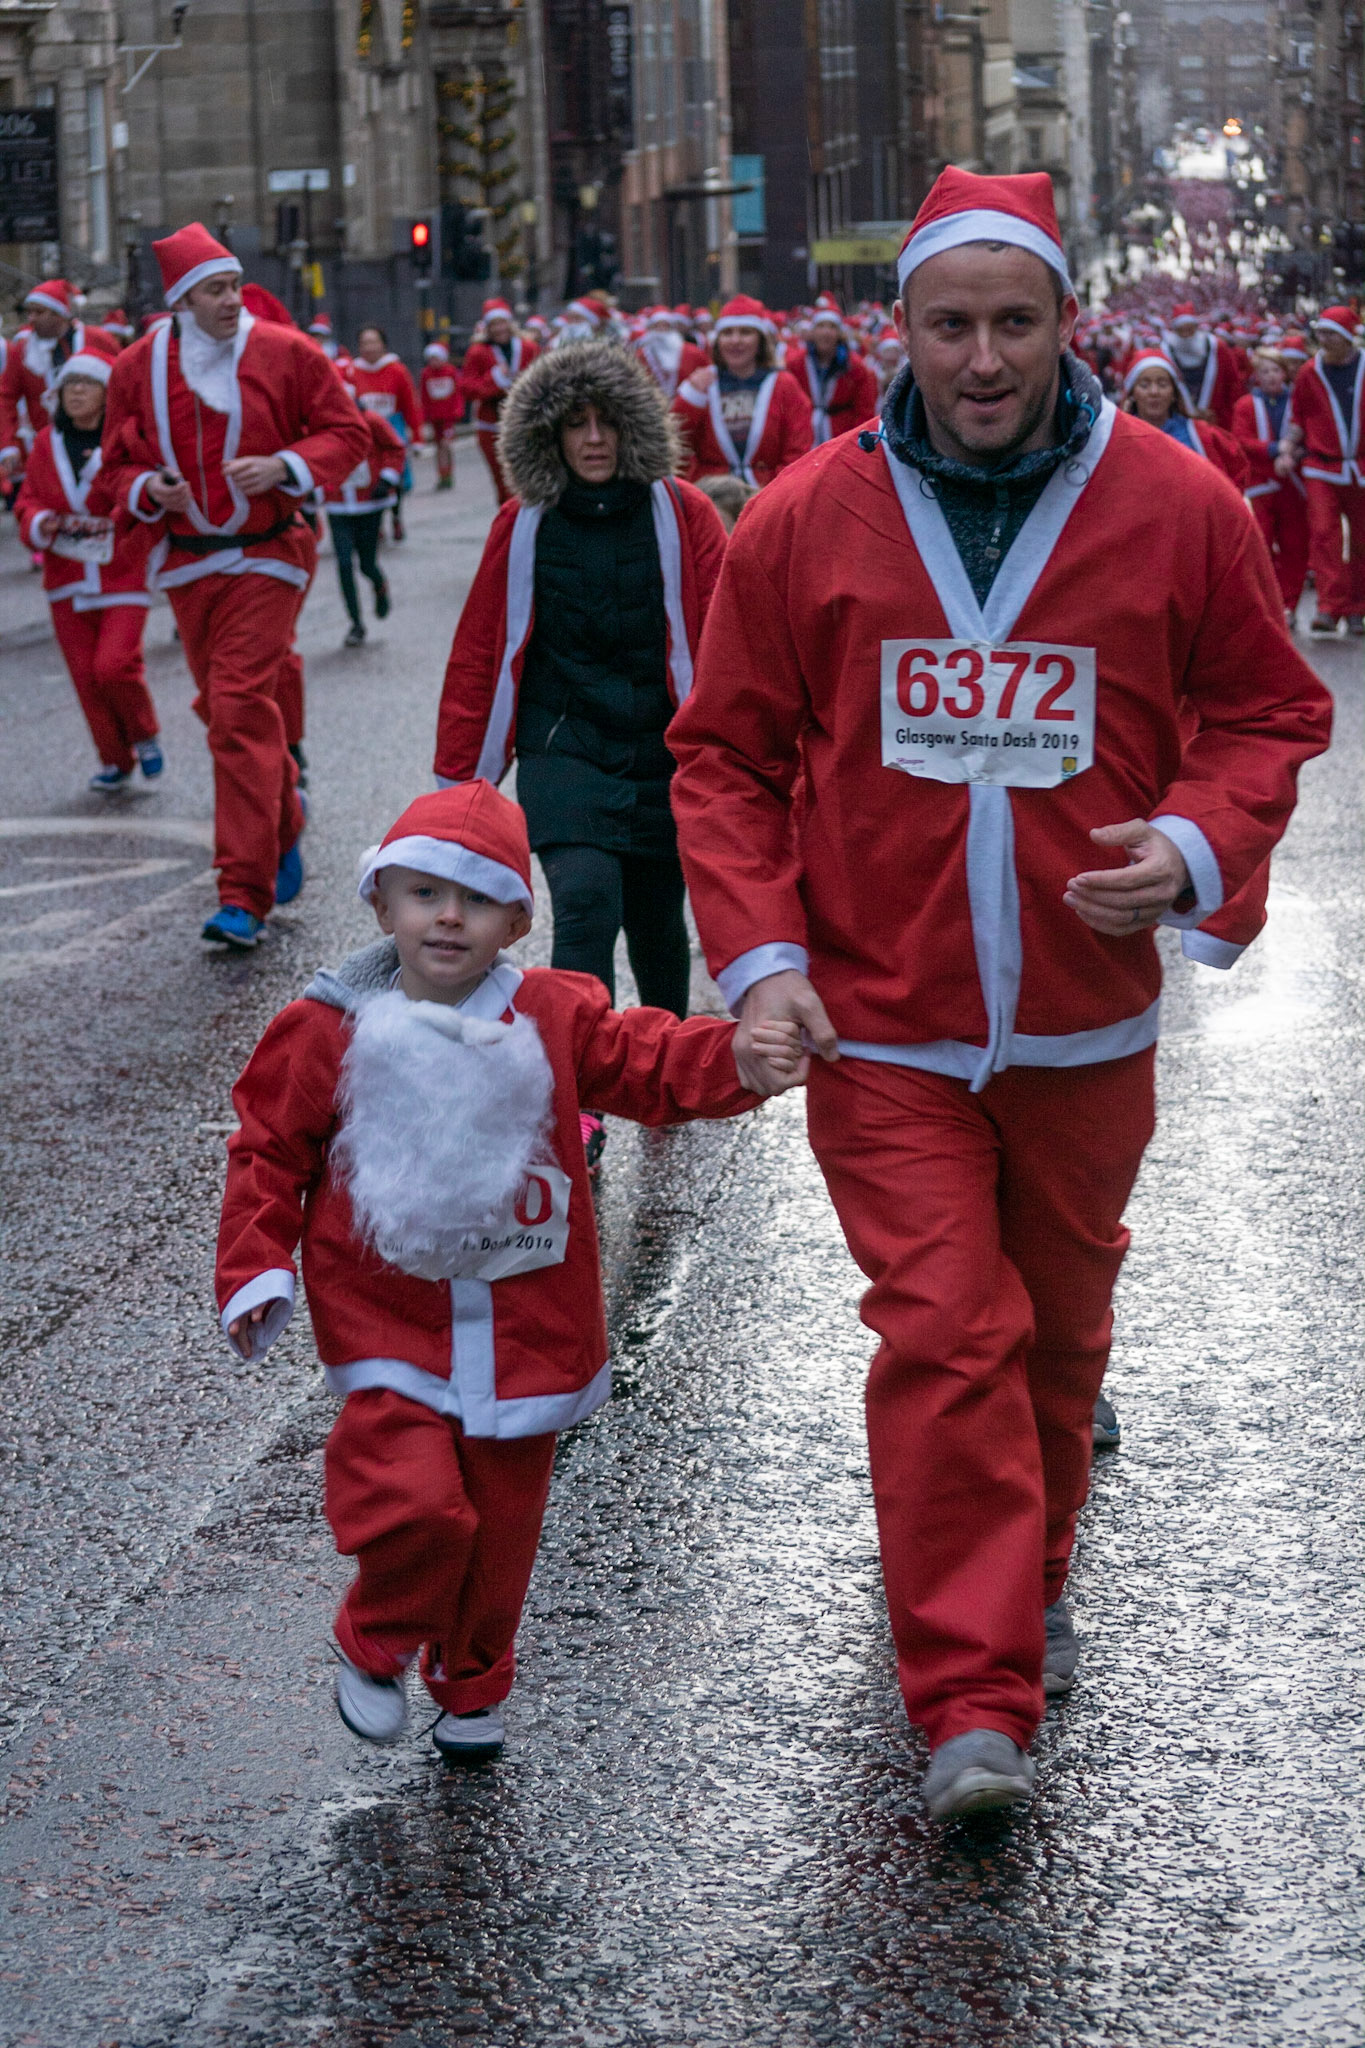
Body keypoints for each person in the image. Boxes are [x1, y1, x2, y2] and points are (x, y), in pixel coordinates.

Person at [667, 166, 1332, 1821]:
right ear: (900, 329)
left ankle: (1011, 1585)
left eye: (1013, 322)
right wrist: (760, 959)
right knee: (948, 1328)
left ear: (1063, 325)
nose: (982, 358)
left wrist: (1189, 844)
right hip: (877, 1024)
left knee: (1053, 1343)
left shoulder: (1183, 505)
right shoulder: (807, 512)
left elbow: (1267, 712)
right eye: (950, 323)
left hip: (1087, 1024)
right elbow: (727, 757)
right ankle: (971, 1695)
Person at [216, 781, 802, 1762]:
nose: (448, 917)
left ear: (516, 920)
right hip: (390, 1319)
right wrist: (255, 1266)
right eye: (422, 894)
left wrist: (738, 1056)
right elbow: (268, 1145)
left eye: (476, 899)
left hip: (532, 1329)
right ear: (381, 904)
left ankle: (474, 1679)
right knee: (413, 1498)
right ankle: (376, 1639)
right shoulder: (330, 1024)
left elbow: (646, 1061)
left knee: (498, 1536)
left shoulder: (551, 1010)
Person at [434, 344, 728, 1174]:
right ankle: (581, 1097)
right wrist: (460, 782)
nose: (592, 440)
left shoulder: (685, 515)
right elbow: (481, 649)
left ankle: (665, 1066)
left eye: (605, 422)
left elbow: (727, 638)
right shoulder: (521, 525)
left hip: (663, 747)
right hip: (563, 747)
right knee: (588, 903)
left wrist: (742, 754)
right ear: (549, 437)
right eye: (574, 425)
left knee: (657, 921)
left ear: (630, 427)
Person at [100, 223, 368, 950]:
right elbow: (112, 470)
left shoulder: (285, 352)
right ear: (183, 300)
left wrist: (285, 466)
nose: (231, 299)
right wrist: (149, 486)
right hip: (188, 564)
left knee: (239, 703)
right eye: (214, 289)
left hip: (270, 555)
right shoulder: (136, 367)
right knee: (224, 712)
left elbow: (348, 433)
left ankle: (241, 894)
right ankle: (284, 819)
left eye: (233, 285)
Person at [14, 349, 162, 791]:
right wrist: (40, 521)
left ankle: (145, 733)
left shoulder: (125, 441)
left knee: (113, 667)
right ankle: (115, 759)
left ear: (106, 393)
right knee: (85, 679)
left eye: (86, 383)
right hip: (67, 579)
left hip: (121, 572)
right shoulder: (45, 443)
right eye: (68, 385)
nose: (76, 392)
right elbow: (28, 501)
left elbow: (144, 497)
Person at [672, 295, 813, 488]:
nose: (735, 340)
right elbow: (676, 440)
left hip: (767, 492)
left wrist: (777, 491)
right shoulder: (702, 383)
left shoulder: (784, 385)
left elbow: (798, 449)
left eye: (745, 332)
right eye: (727, 333)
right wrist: (691, 399)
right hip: (713, 493)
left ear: (760, 341)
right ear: (718, 340)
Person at [1288, 307, 1365, 636]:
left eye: (1331, 334)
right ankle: (1329, 607)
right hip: (1321, 466)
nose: (1323, 340)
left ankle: (1359, 608)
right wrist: (1287, 448)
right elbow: (1298, 416)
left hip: (1361, 467)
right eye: (1320, 333)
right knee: (1323, 535)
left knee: (1362, 539)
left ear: (1347, 337)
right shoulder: (1309, 371)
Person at [0, 280, 116, 478]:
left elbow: (121, 386)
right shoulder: (23, 350)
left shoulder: (97, 339)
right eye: (29, 312)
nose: (31, 319)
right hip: (45, 448)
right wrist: (8, 445)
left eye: (39, 312)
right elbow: (5, 397)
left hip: (98, 441)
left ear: (58, 313)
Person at [1233, 350, 1310, 628]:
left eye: (1275, 371)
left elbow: (1310, 430)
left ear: (1284, 373)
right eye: (1264, 372)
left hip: (1294, 484)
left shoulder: (1298, 400)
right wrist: (1275, 450)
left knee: (1295, 545)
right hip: (1261, 485)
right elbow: (1242, 440)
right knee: (1261, 543)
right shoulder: (1245, 405)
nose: (1270, 377)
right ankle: (1268, 601)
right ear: (1257, 376)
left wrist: (1294, 455)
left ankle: (1289, 603)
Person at [322, 395, 404, 646]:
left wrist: (387, 478)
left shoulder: (371, 420)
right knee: (344, 564)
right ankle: (356, 624)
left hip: (369, 503)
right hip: (338, 504)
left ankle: (379, 585)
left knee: (367, 564)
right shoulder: (324, 426)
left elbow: (396, 448)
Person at [1120, 349, 1249, 486]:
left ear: (1174, 393)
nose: (1154, 392)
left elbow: (1236, 473)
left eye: (1162, 384)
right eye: (1144, 385)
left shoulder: (1201, 436)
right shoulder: (1119, 438)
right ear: (1132, 393)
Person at [460, 298, 540, 506]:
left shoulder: (528, 347)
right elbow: (467, 388)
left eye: (502, 322)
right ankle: (507, 527)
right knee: (502, 480)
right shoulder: (477, 352)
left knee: (526, 477)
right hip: (491, 425)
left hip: (524, 421)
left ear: (510, 323)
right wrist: (494, 379)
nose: (499, 329)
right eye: (494, 324)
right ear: (487, 327)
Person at [350, 325, 422, 541]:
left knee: (395, 475)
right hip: (365, 432)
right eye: (364, 343)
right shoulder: (352, 371)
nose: (369, 347)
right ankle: (375, 522)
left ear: (383, 345)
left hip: (392, 428)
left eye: (373, 342)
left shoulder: (397, 370)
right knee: (370, 477)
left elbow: (410, 405)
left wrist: (417, 436)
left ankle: (396, 516)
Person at [785, 296, 880, 443]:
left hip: (842, 437)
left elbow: (864, 412)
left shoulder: (856, 368)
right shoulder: (796, 365)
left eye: (832, 327)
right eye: (821, 326)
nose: (826, 332)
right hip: (804, 435)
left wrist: (854, 443)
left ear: (839, 333)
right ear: (812, 332)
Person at [1164, 305, 1242, 429]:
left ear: (1196, 328)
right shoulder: (1165, 352)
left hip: (1216, 421)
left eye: (1190, 329)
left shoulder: (1217, 348)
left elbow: (1233, 384)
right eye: (1181, 330)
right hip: (1179, 423)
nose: (1186, 335)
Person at [420, 341, 461, 490]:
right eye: (431, 359)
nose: (434, 362)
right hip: (435, 417)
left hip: (448, 417)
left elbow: (457, 392)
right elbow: (424, 396)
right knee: (439, 446)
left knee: (446, 445)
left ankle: (448, 472)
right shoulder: (426, 374)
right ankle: (442, 474)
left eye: (436, 358)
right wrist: (424, 415)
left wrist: (457, 410)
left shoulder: (450, 371)